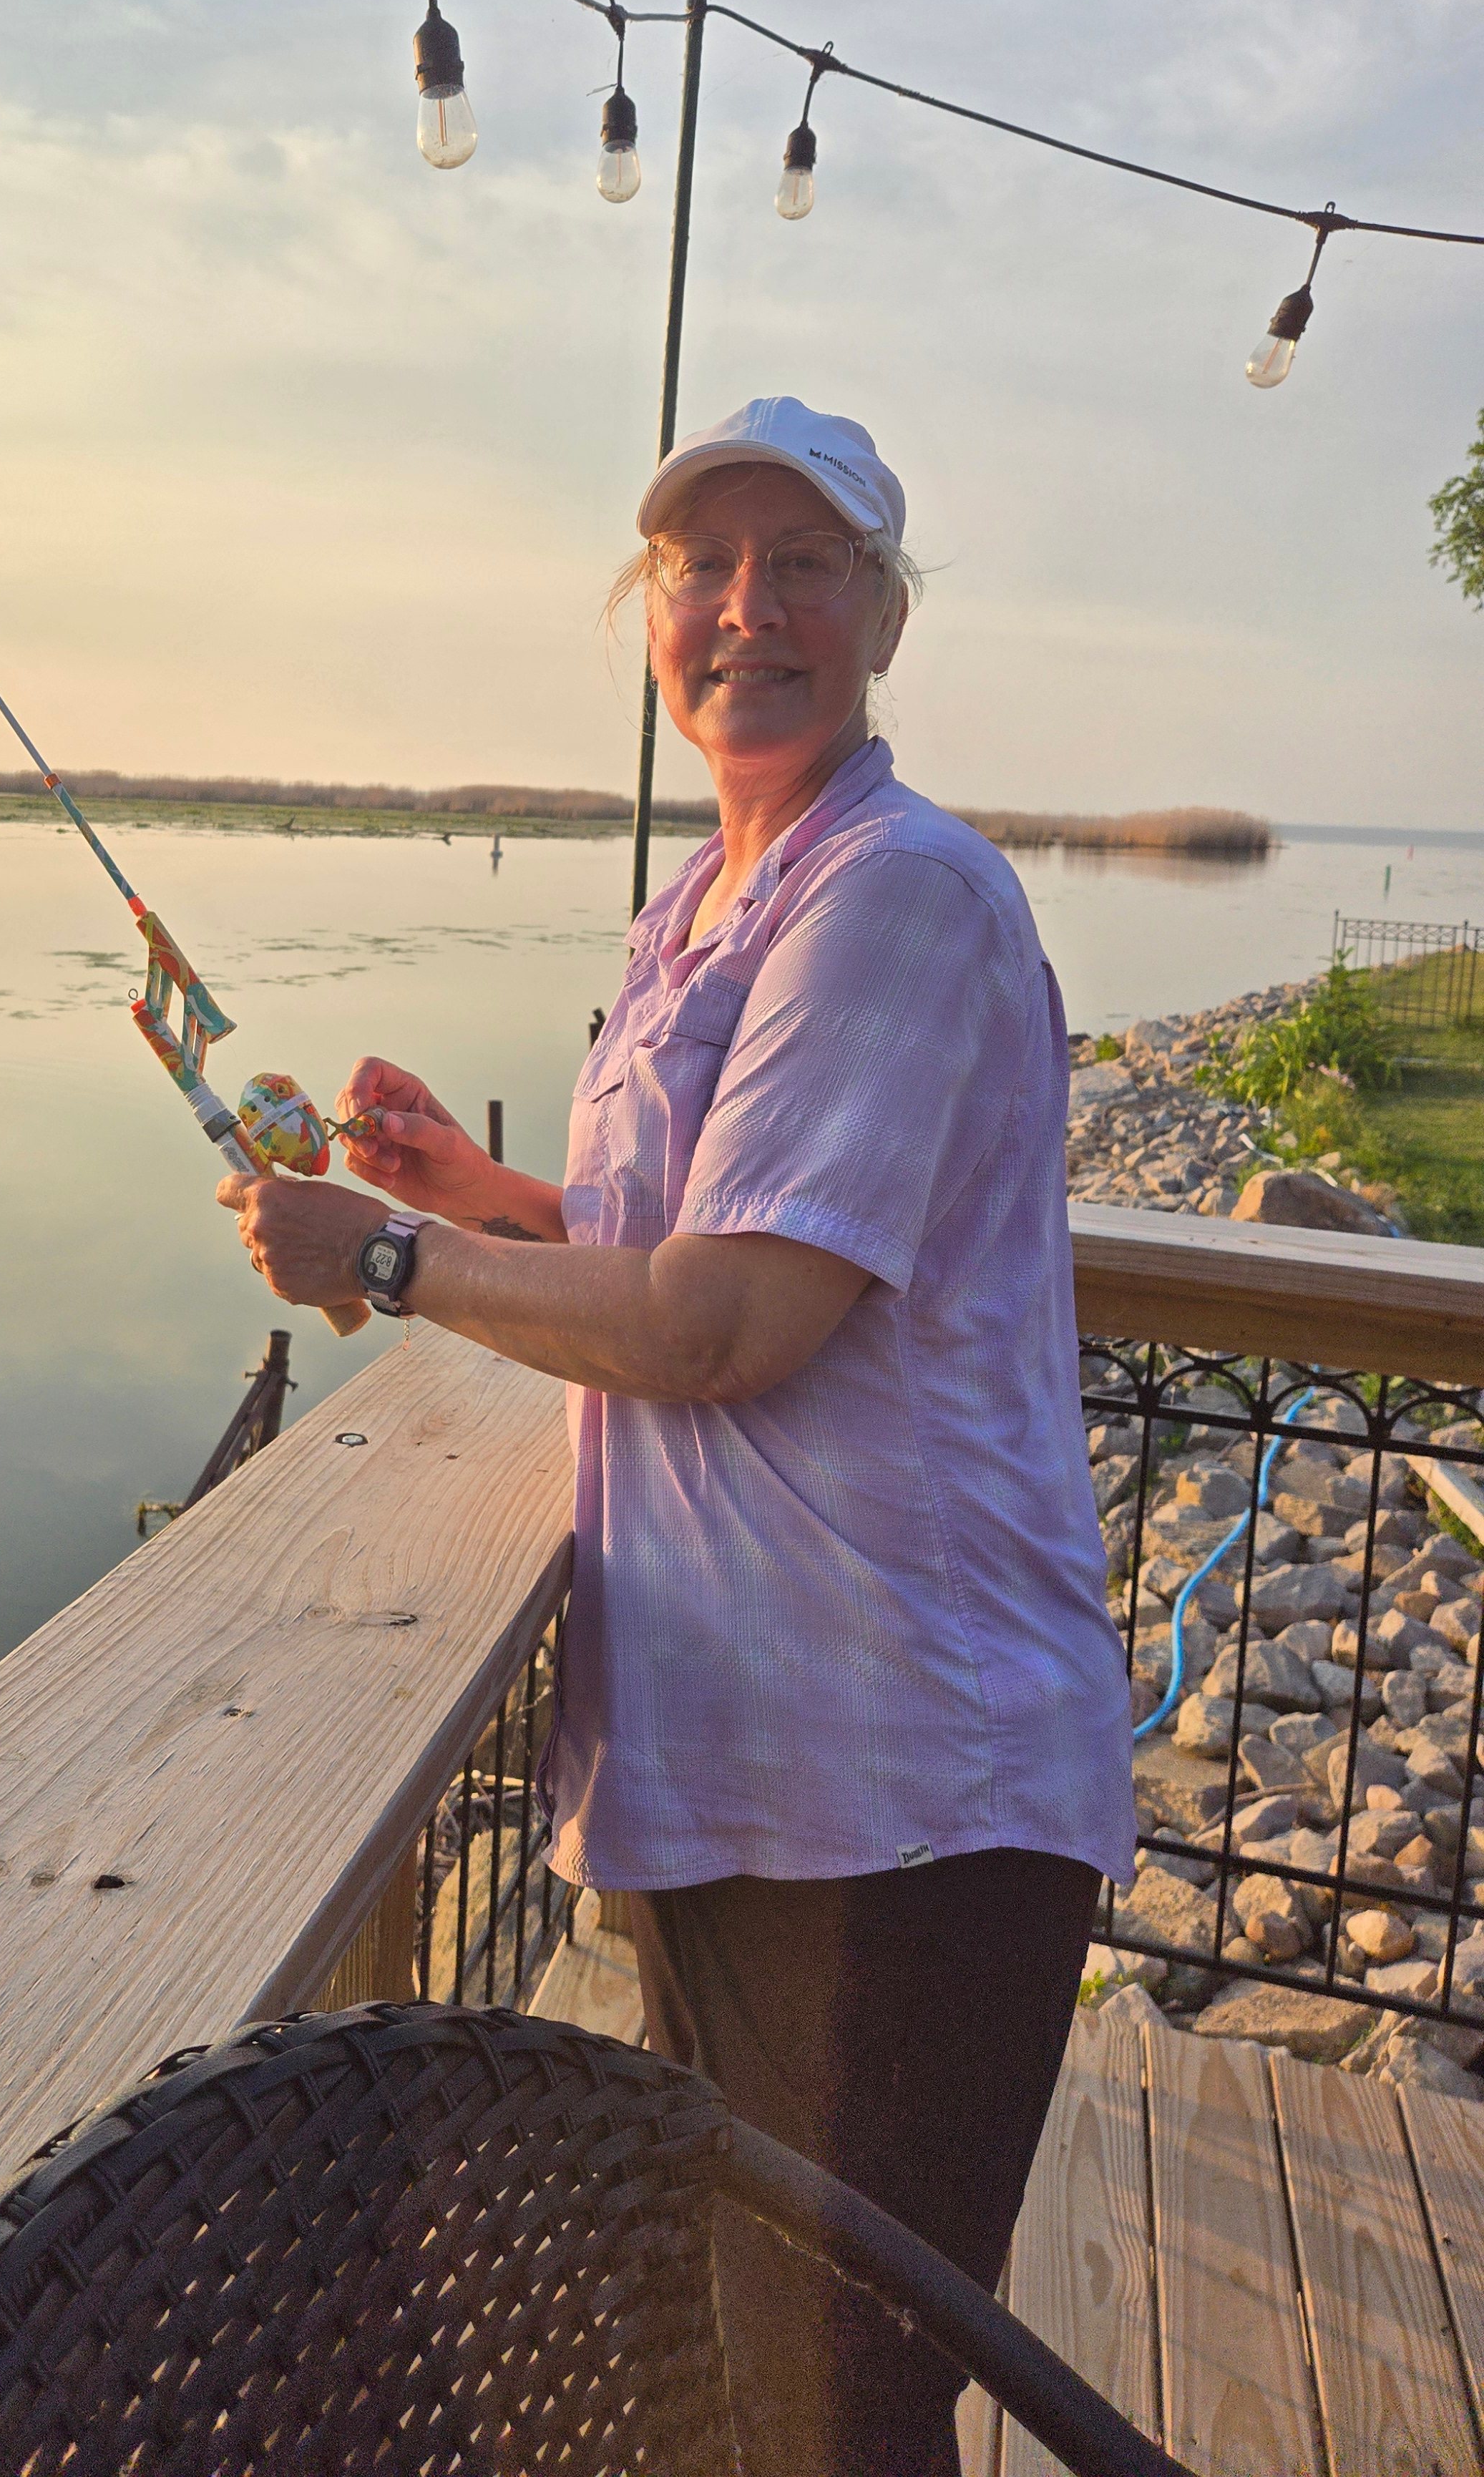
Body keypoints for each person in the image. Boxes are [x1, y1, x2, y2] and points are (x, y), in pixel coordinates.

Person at [220, 394, 1136, 2477]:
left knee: (829, 2416)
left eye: (804, 564)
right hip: (739, 1775)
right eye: (701, 569)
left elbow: (726, 1321)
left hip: (904, 1805)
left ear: (886, 617)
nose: (749, 611)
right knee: (728, 2379)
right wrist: (472, 1192)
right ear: (651, 609)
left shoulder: (899, 892)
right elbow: (670, 1238)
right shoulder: (713, 897)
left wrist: (384, 1271)